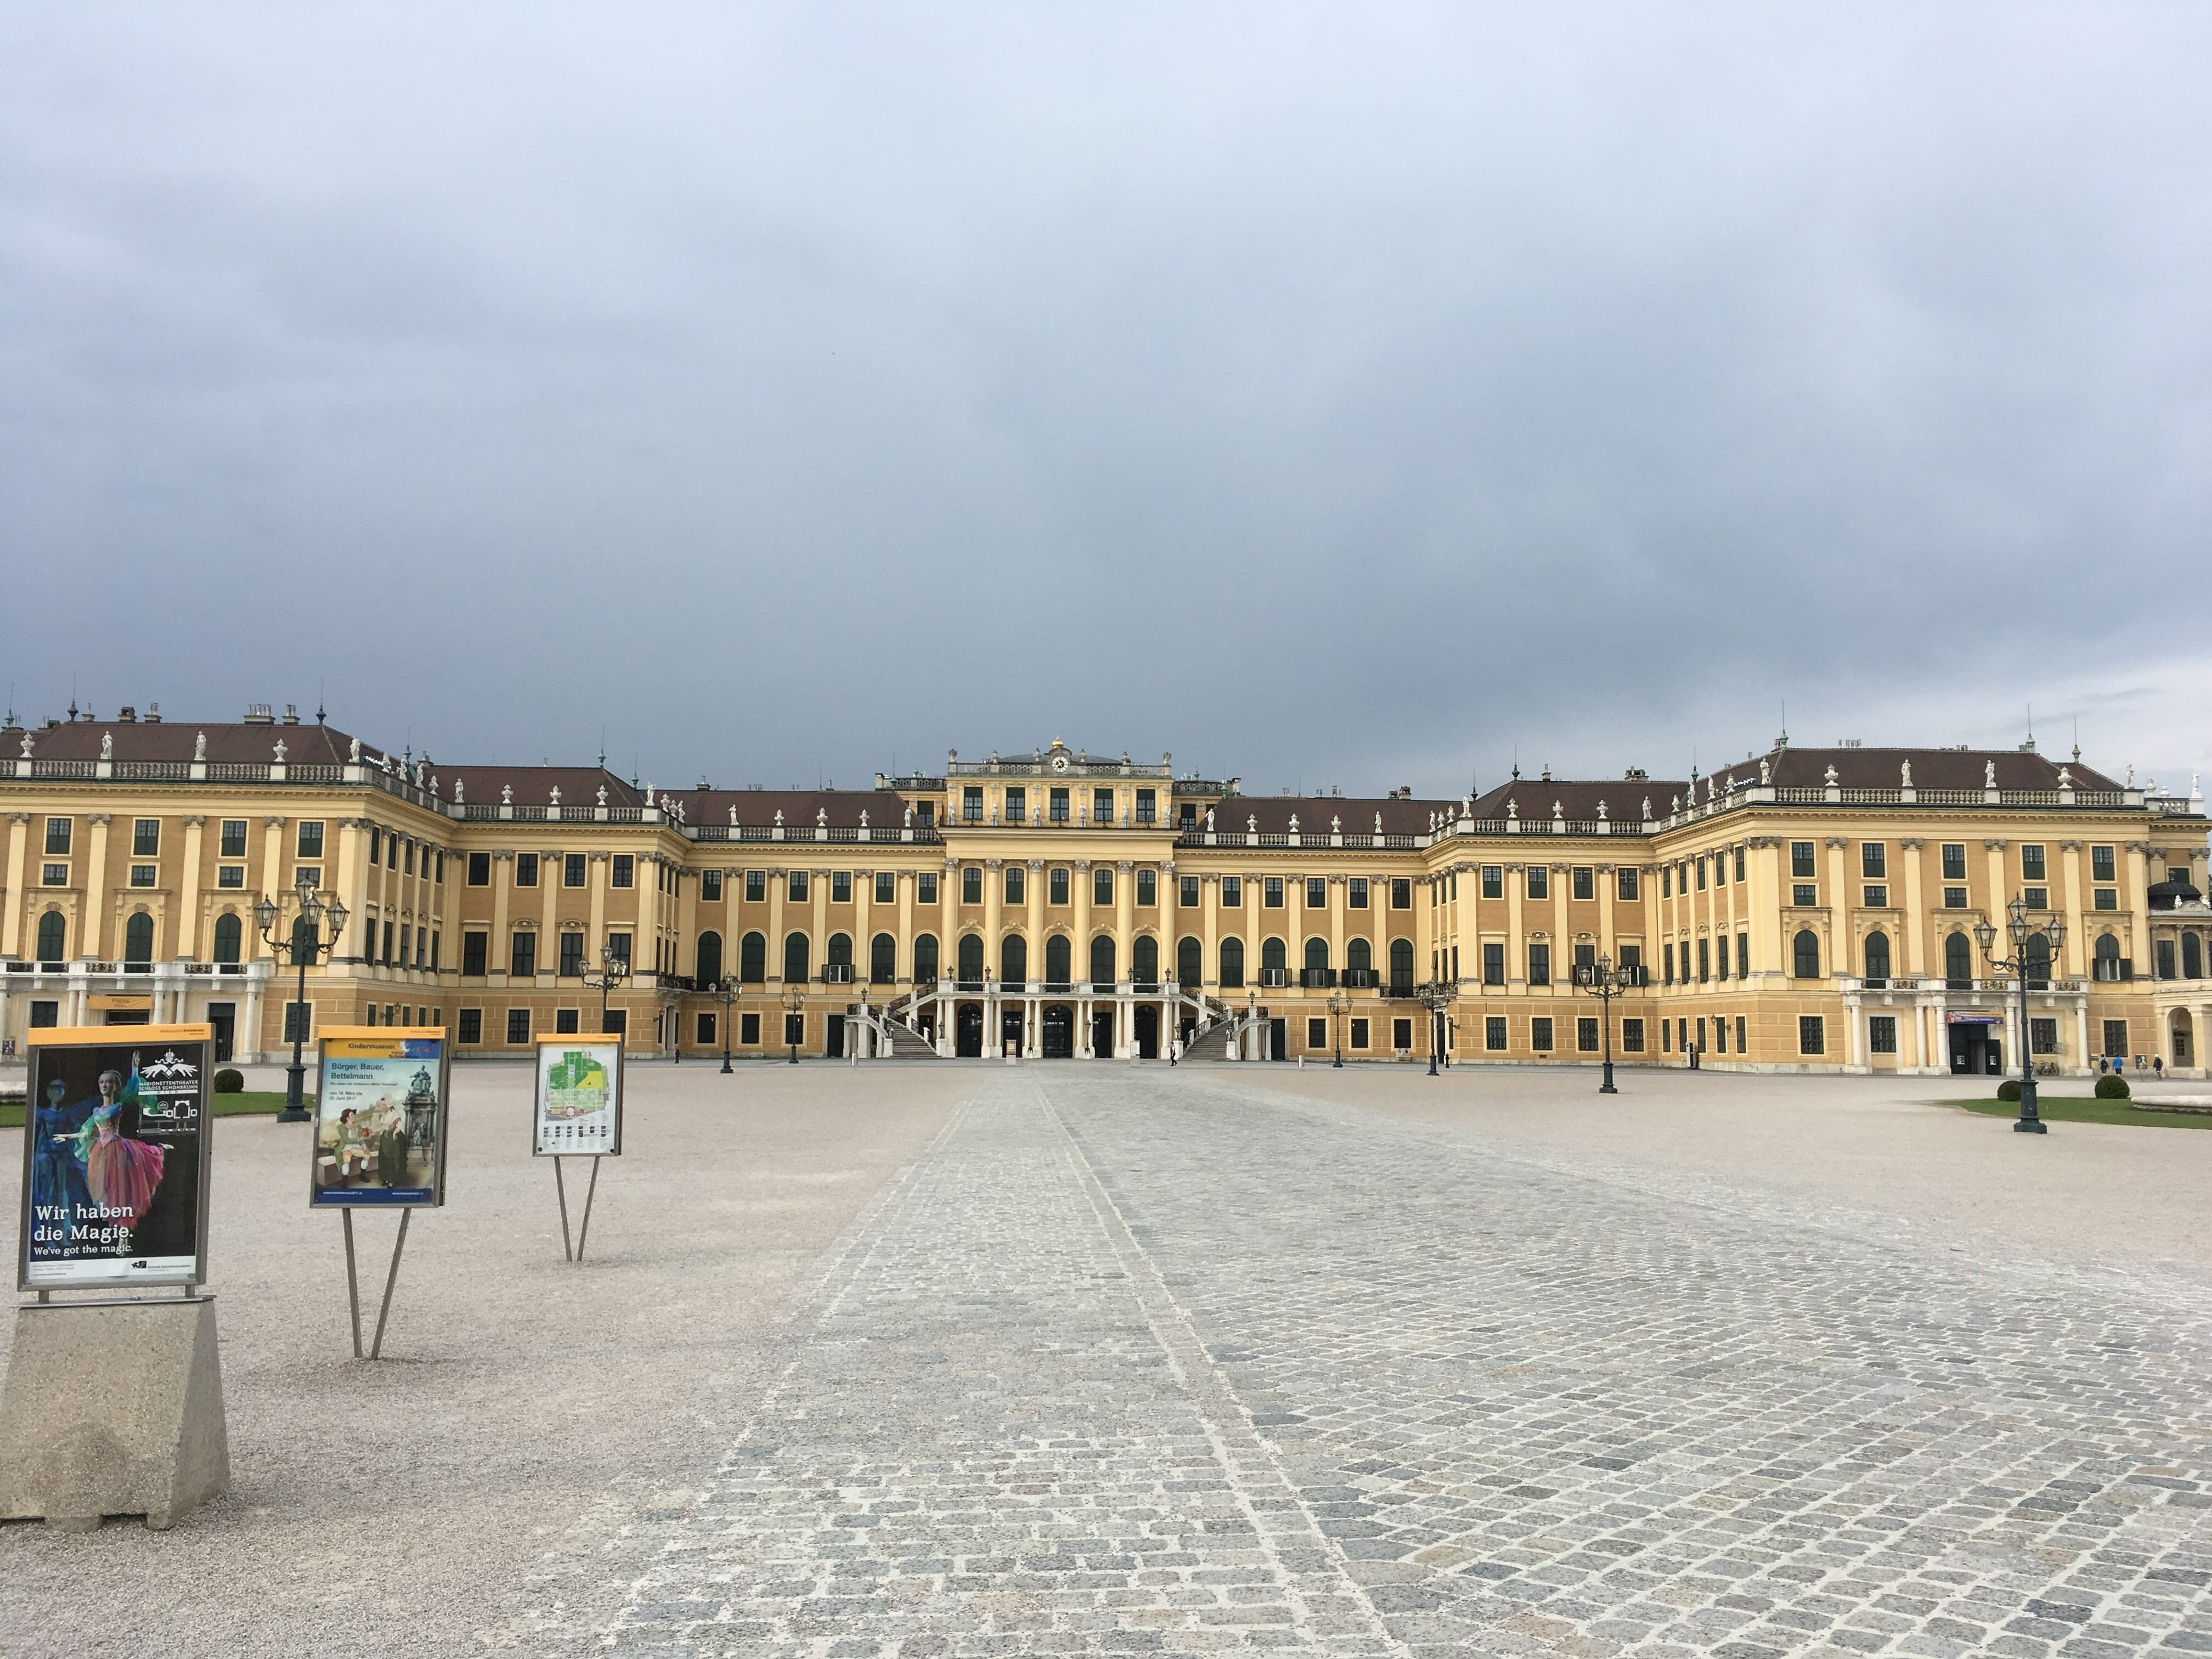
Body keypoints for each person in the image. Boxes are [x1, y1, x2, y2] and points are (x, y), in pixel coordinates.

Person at [70, 1070, 166, 1231]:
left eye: (108, 1082)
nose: (105, 1085)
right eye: (102, 1082)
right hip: (100, 1152)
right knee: (104, 1187)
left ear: (115, 1086)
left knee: (121, 1188)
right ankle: (112, 1225)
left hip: (117, 1149)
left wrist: (135, 1069)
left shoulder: (119, 1105)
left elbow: (133, 1089)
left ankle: (124, 1230)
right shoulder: (96, 1111)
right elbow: (88, 1131)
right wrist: (68, 1136)